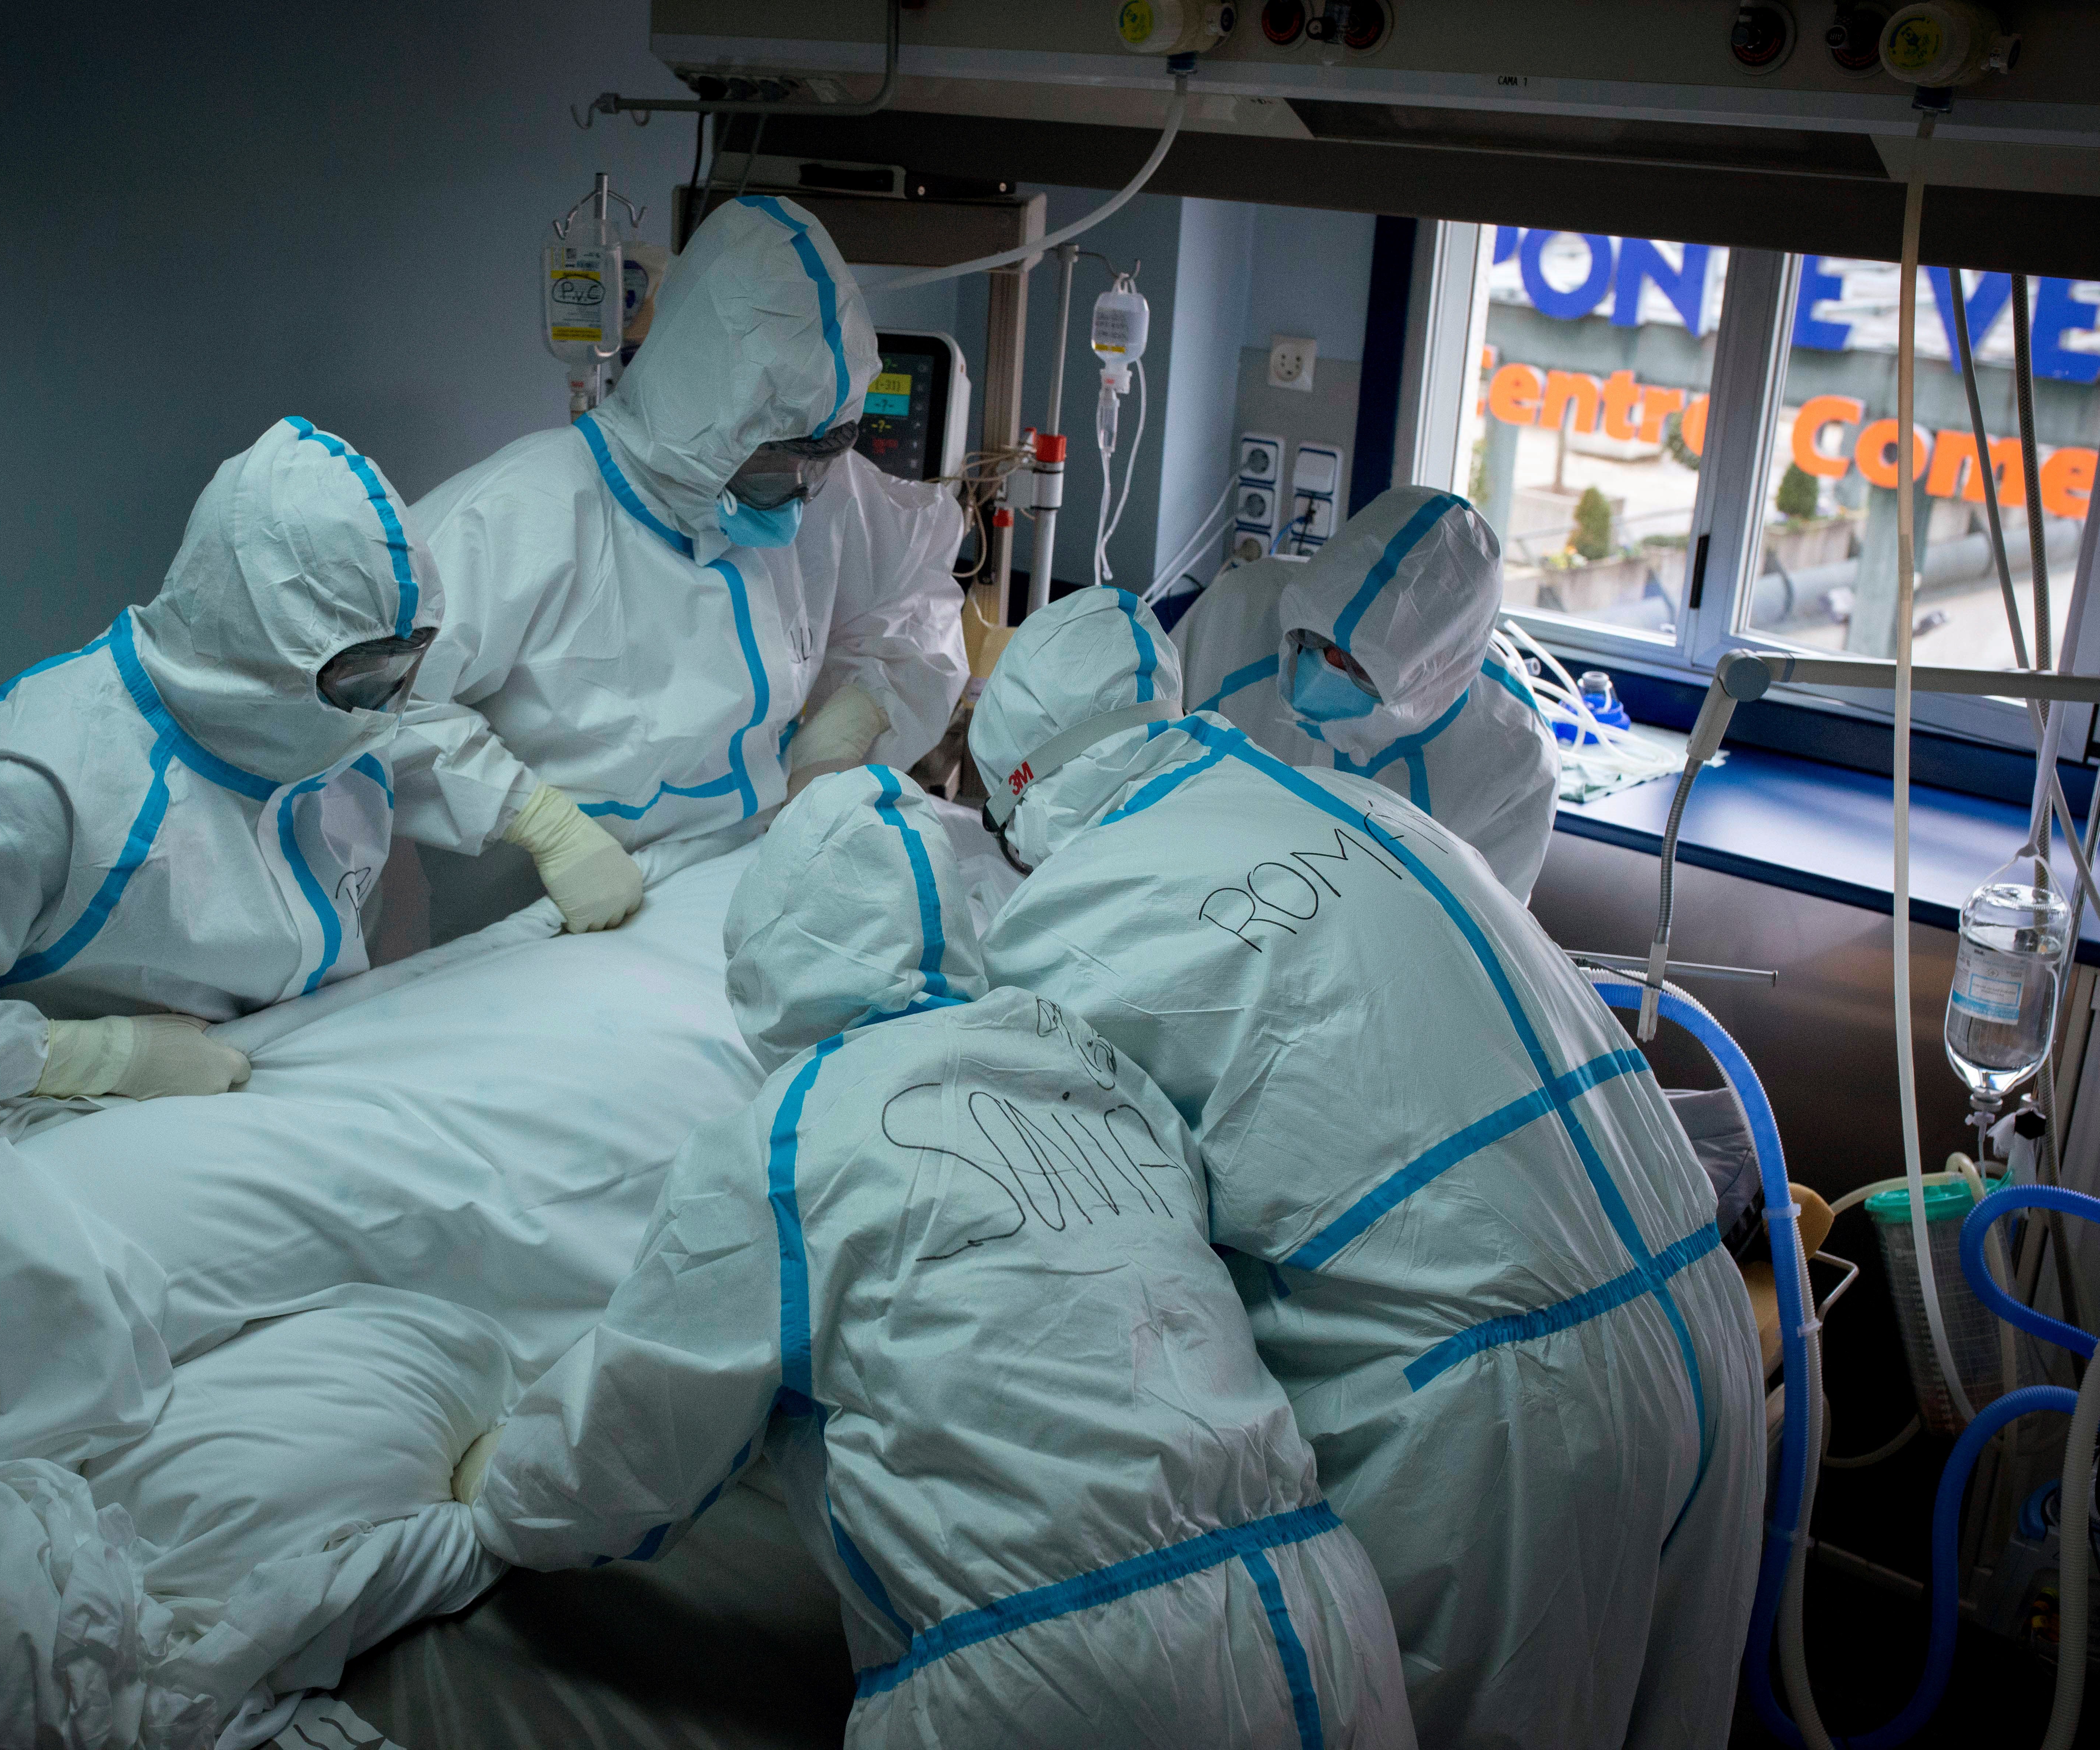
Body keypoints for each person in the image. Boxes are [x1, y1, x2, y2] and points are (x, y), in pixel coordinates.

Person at [456, 766, 1414, 1750]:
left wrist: (507, 1492)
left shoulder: (787, 1138)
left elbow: (643, 1420)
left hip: (1068, 1670)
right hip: (1320, 1611)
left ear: (763, 957)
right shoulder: (1097, 1070)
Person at [971, 586, 1763, 1750]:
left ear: (1021, 793)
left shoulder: (1068, 919)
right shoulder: (1365, 807)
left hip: (1508, 1415)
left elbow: (1084, 1257)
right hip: (1700, 1330)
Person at [0, 415, 461, 1109]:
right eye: (367, 678)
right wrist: (104, 1056)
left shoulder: (335, 721)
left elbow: (425, 744)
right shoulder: (33, 774)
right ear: (262, 640)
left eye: (405, 669)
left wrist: (545, 822)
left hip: (294, 1089)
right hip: (75, 1124)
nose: (387, 711)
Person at [399, 195, 968, 936]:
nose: (802, 490)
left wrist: (852, 720)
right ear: (706, 420)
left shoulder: (820, 483)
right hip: (543, 918)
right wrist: (533, 818)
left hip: (746, 889)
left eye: (820, 458)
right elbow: (366, 705)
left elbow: (911, 594)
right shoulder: (515, 514)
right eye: (776, 460)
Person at [1172, 486, 1558, 900]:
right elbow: (1136, 756)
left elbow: (1472, 943)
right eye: (1312, 640)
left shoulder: (1513, 766)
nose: (1324, 671)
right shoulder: (1238, 609)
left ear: (1428, 683)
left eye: (1359, 669)